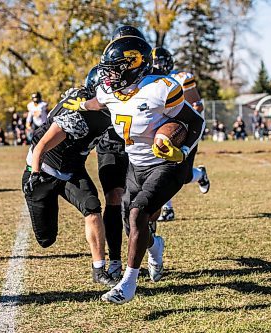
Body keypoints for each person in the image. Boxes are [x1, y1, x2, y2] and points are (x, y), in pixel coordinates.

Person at [72, 36, 205, 304]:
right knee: (133, 226)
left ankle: (128, 285)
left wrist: (184, 150)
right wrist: (77, 104)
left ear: (134, 66)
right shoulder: (110, 91)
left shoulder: (161, 88)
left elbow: (196, 122)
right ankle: (155, 246)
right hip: (137, 165)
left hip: (167, 163)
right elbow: (96, 102)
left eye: (114, 68)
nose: (107, 76)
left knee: (138, 214)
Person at [23, 73, 117, 287]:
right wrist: (35, 175)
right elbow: (40, 148)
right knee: (46, 239)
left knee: (92, 208)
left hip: (71, 170)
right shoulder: (79, 115)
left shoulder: (99, 107)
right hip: (43, 171)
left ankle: (99, 270)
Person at [151, 46, 210, 222]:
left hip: (182, 130)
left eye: (159, 61)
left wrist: (180, 117)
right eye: (154, 62)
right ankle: (167, 209)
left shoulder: (182, 78)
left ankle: (200, 174)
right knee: (161, 170)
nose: (157, 65)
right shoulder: (150, 79)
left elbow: (197, 105)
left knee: (183, 177)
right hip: (160, 130)